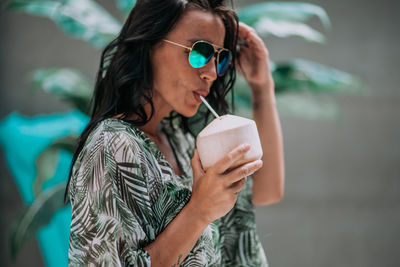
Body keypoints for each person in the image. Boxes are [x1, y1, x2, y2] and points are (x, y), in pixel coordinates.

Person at [66, 0, 284, 266]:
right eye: (200, 51)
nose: (212, 73)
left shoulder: (181, 140)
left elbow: (265, 190)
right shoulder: (112, 145)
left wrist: (262, 85)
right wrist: (199, 211)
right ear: (149, 45)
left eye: (220, 57)